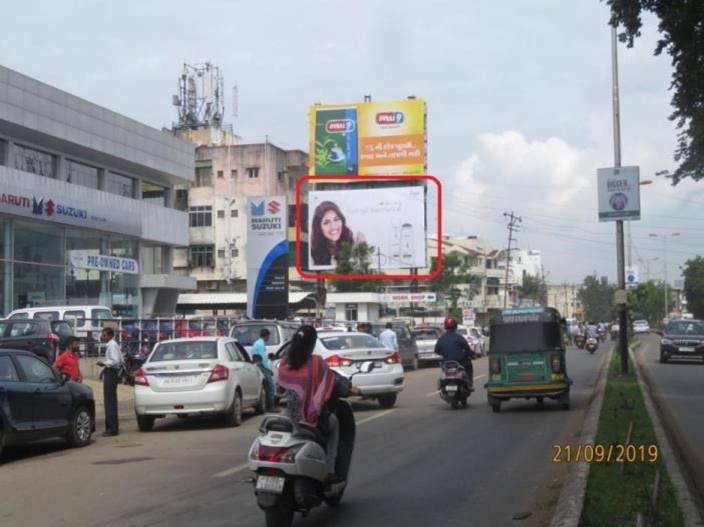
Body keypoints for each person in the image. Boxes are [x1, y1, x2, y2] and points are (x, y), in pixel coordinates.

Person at [277, 326, 359, 482]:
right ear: (312, 343)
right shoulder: (316, 363)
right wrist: (350, 389)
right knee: (334, 424)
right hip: (310, 418)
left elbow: (280, 387)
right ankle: (329, 470)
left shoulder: (285, 363)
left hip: (289, 416)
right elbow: (333, 383)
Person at [310, 201, 366, 266]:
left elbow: (368, 268)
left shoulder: (357, 238)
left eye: (336, 219)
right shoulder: (313, 252)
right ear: (319, 228)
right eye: (326, 223)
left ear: (341, 220)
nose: (333, 226)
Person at [96, 327, 123, 437]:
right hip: (110, 372)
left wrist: (104, 363)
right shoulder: (112, 345)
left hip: (111, 373)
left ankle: (112, 428)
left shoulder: (112, 345)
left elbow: (115, 360)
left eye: (104, 335)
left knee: (109, 401)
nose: (102, 337)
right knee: (110, 401)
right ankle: (112, 427)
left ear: (110, 336)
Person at [434, 316, 475, 387]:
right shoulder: (459, 337)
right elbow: (467, 349)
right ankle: (470, 384)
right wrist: (469, 354)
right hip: (460, 362)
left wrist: (444, 353)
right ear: (455, 326)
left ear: (445, 327)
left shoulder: (441, 338)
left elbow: (436, 350)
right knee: (469, 365)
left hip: (446, 362)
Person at [251, 328, 278, 413]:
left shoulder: (256, 343)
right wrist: (268, 369)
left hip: (257, 364)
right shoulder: (261, 344)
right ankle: (271, 407)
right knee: (270, 386)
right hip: (261, 365)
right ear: (266, 336)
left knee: (265, 387)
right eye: (268, 336)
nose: (268, 338)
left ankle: (267, 406)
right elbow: (263, 358)